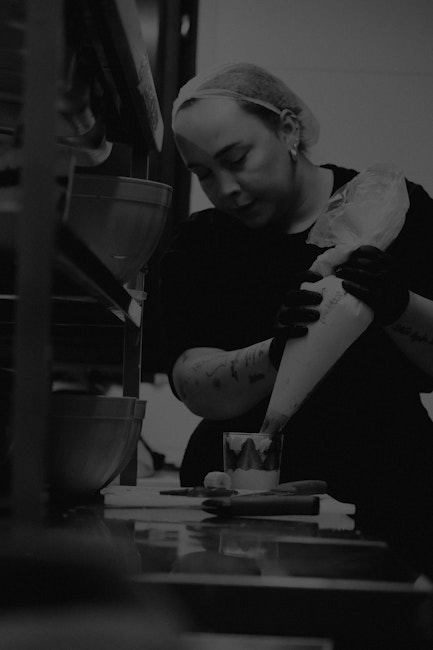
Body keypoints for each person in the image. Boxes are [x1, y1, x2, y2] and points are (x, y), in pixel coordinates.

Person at [160, 62, 433, 577]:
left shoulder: (395, 212)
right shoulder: (201, 246)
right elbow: (195, 386)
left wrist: (399, 305)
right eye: (203, 174)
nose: (226, 188)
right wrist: (273, 353)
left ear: (288, 130)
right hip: (241, 505)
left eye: (236, 159)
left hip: (389, 492)